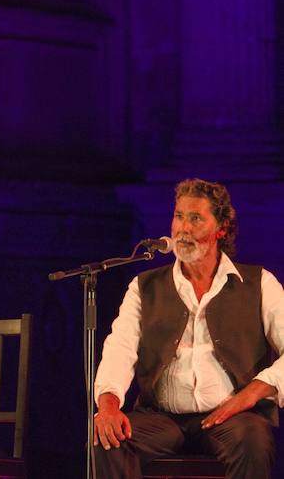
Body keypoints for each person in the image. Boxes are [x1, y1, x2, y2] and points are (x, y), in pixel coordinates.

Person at [93, 179, 284, 478]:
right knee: (109, 440)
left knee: (253, 441)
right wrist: (107, 405)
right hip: (162, 418)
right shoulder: (145, 287)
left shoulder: (259, 283)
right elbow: (120, 348)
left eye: (195, 218)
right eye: (179, 216)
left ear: (221, 228)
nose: (183, 228)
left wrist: (250, 394)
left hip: (233, 418)